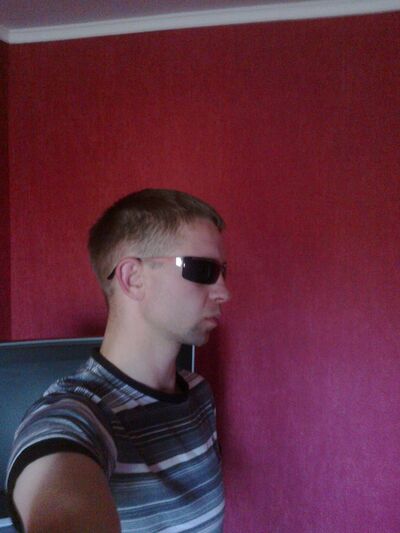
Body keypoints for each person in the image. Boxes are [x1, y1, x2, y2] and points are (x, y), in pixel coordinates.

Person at [6, 189, 230, 532]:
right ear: (132, 278)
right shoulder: (76, 415)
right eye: (202, 269)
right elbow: (59, 475)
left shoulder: (198, 394)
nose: (224, 292)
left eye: (223, 271)